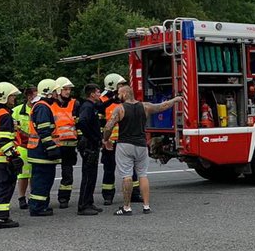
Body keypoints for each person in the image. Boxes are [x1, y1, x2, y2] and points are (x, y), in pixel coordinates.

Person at [102, 85, 181, 216]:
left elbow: (108, 126)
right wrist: (175, 100)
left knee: (127, 176)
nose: (118, 96)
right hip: (141, 145)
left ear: (125, 94)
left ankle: (126, 207)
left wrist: (106, 140)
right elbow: (162, 106)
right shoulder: (145, 106)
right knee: (143, 175)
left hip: (125, 145)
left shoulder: (120, 109)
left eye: (119, 94)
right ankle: (146, 206)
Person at [0, 82, 23, 229]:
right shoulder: (5, 115)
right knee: (5, 187)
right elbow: (3, 140)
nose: (14, 98)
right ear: (4, 97)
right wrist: (14, 156)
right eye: (12, 96)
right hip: (3, 160)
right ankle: (1, 219)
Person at [26, 79, 62, 217]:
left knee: (42, 180)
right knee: (42, 180)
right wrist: (51, 148)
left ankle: (40, 205)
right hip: (42, 152)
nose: (56, 94)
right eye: (54, 91)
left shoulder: (41, 105)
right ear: (48, 92)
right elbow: (43, 130)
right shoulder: (42, 107)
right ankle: (37, 208)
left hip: (40, 151)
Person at [75, 83, 103, 216]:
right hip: (89, 145)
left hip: (92, 144)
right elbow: (82, 122)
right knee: (88, 175)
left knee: (92, 175)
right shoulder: (87, 107)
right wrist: (92, 137)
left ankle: (89, 202)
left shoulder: (92, 106)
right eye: (98, 92)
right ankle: (83, 205)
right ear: (92, 94)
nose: (99, 94)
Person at [52, 77, 79, 209]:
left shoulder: (75, 103)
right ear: (58, 90)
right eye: (65, 89)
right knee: (48, 173)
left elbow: (79, 124)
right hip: (54, 145)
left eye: (69, 89)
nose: (68, 92)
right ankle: (42, 199)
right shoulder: (50, 104)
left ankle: (64, 198)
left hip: (69, 146)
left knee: (67, 174)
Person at [99, 73, 125, 205]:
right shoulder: (102, 101)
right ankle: (108, 196)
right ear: (113, 85)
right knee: (109, 169)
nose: (122, 87)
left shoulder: (123, 100)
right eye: (120, 85)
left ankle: (135, 193)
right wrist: (103, 140)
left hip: (124, 140)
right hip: (109, 142)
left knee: (130, 168)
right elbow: (99, 123)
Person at [11, 86, 37, 210]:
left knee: (35, 173)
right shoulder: (16, 111)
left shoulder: (40, 108)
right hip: (22, 146)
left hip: (36, 145)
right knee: (23, 174)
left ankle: (33, 197)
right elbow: (14, 129)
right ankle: (22, 197)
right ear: (29, 97)